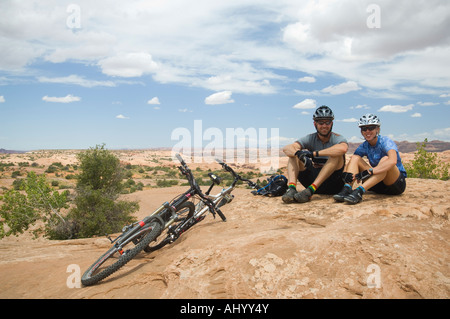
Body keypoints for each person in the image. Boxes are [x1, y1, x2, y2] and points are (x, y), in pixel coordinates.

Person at [334, 113, 407, 204]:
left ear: (377, 129)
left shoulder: (385, 141)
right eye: (364, 128)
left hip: (395, 184)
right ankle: (347, 189)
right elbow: (353, 162)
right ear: (361, 131)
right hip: (377, 184)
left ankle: (359, 191)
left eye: (371, 128)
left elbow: (392, 161)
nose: (367, 131)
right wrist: (345, 174)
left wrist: (370, 172)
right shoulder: (364, 146)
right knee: (355, 157)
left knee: (385, 159)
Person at [282, 105, 348, 203]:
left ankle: (311, 190)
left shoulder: (337, 138)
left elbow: (343, 148)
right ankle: (291, 188)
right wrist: (298, 152)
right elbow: (287, 149)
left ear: (332, 123)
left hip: (333, 183)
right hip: (313, 179)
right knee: (293, 155)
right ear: (315, 124)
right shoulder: (310, 138)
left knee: (337, 155)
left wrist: (313, 154)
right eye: (321, 122)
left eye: (327, 122)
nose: (324, 126)